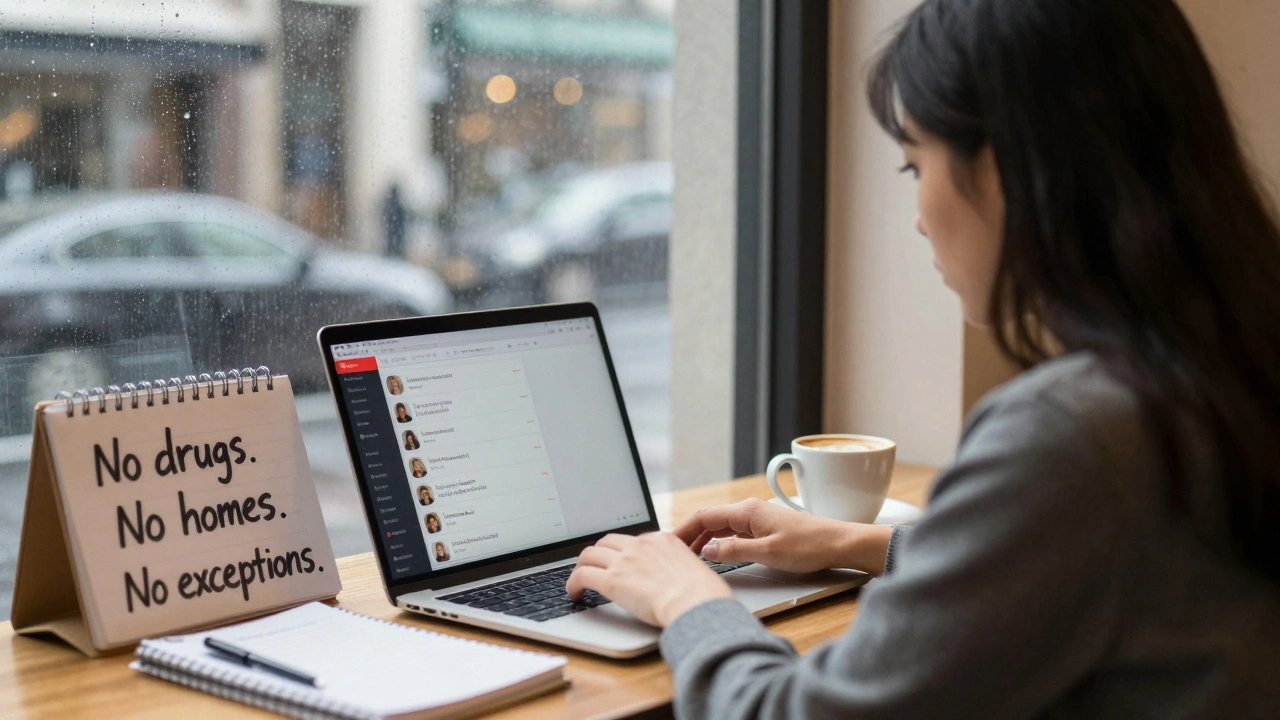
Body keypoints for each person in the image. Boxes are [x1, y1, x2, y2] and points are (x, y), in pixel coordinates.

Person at [564, 1, 1280, 716]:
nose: (916, 214)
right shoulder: (1227, 363)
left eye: (914, 165)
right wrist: (862, 542)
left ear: (1002, 167)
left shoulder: (1072, 435)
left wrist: (685, 598)